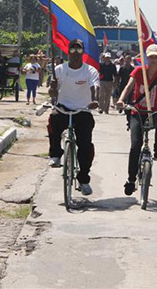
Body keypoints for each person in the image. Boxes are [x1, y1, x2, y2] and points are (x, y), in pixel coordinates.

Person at [116, 44, 157, 196]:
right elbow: (128, 87)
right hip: (138, 112)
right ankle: (131, 180)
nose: (153, 60)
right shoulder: (139, 71)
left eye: (156, 57)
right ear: (147, 57)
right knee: (135, 146)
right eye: (151, 57)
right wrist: (121, 100)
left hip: (154, 112)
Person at [48, 39, 100, 196]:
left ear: (83, 53)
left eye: (78, 51)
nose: (75, 54)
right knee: (53, 120)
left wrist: (94, 100)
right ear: (67, 52)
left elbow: (94, 87)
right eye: (72, 50)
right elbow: (52, 90)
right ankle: (56, 155)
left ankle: (83, 180)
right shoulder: (60, 69)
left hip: (83, 110)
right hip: (63, 108)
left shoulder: (89, 71)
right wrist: (52, 88)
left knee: (85, 147)